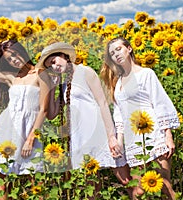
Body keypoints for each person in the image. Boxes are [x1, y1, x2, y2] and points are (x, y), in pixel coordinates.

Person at [36, 42, 133, 197]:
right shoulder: (63, 83)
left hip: (101, 133)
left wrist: (111, 136)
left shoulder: (85, 71)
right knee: (91, 187)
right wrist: (53, 87)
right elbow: (52, 114)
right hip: (82, 138)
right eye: (50, 66)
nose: (54, 67)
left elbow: (102, 103)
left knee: (126, 181)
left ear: (64, 56)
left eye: (54, 61)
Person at [100, 36, 180, 199]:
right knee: (138, 191)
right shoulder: (119, 82)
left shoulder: (146, 74)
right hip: (133, 141)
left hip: (154, 136)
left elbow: (160, 103)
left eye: (119, 49)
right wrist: (119, 143)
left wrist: (168, 135)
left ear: (129, 49)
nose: (116, 54)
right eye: (112, 53)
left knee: (165, 187)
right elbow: (119, 116)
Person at [0, 40, 52, 199]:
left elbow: (44, 109)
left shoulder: (40, 73)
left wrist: (31, 139)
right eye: (9, 59)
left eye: (15, 54)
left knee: (34, 176)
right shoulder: (11, 76)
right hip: (7, 129)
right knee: (3, 176)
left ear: (22, 51)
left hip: (30, 130)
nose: (14, 59)